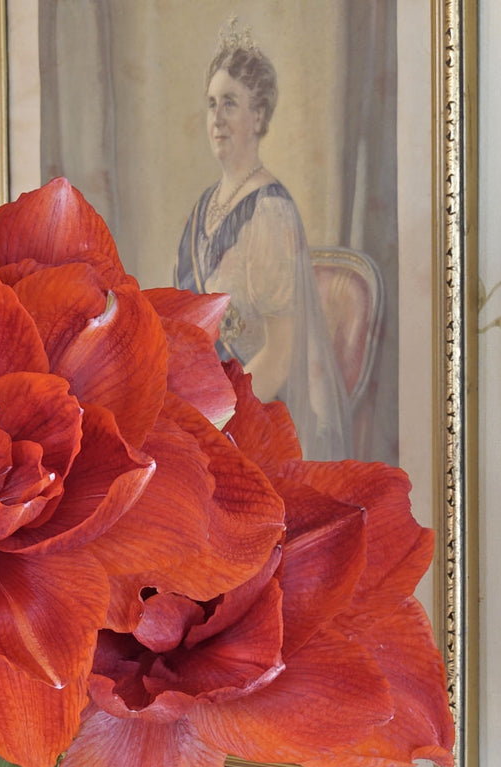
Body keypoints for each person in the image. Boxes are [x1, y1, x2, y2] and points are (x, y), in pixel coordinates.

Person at [175, 23, 351, 460]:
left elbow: (280, 353)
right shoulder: (201, 209)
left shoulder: (270, 211)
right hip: (204, 409)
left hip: (256, 416)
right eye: (212, 104)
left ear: (258, 116)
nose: (216, 118)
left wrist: (218, 421)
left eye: (230, 104)